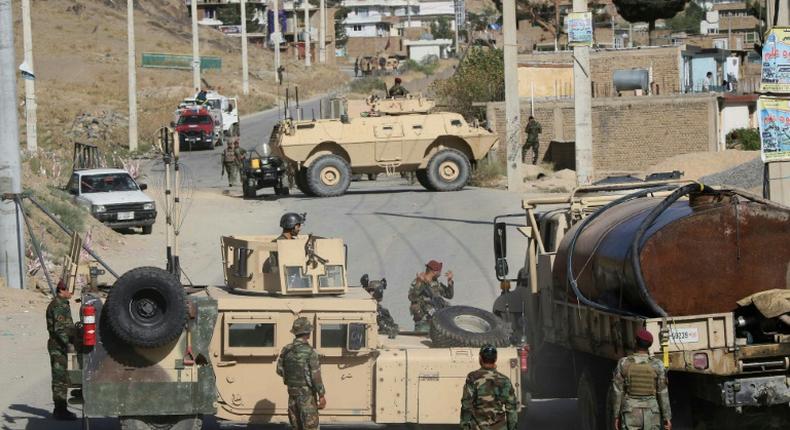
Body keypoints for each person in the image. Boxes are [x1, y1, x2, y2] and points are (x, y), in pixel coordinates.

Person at [611, 329, 672, 430]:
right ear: (650, 345)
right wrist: (667, 417)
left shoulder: (624, 363)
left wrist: (616, 416)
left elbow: (618, 391)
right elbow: (663, 392)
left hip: (630, 413)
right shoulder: (657, 365)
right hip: (652, 413)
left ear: (635, 342)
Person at [276, 317, 326, 430]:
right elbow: (316, 376)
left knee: (296, 427)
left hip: (292, 395)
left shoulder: (286, 349)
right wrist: (321, 395)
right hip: (307, 398)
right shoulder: (310, 352)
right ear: (308, 333)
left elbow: (279, 370)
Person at [460, 345, 519, 430]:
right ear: (495, 359)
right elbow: (511, 409)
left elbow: (466, 404)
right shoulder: (505, 380)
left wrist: (464, 426)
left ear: (480, 358)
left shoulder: (472, 377)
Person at [47, 280, 78, 421]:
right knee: (60, 378)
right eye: (68, 290)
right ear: (61, 291)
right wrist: (69, 344)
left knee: (66, 376)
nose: (71, 293)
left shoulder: (63, 303)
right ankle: (60, 410)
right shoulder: (58, 305)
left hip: (62, 345)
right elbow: (60, 330)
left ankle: (61, 409)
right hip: (58, 347)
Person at [408, 259, 454, 332]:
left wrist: (449, 281)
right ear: (434, 271)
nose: (440, 272)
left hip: (437, 322)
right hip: (423, 322)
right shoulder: (419, 280)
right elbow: (412, 297)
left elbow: (449, 295)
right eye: (439, 270)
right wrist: (419, 283)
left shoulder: (435, 283)